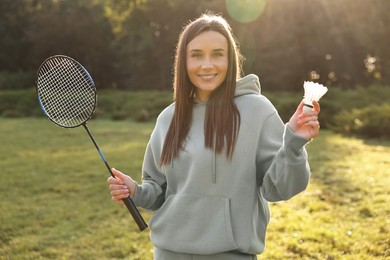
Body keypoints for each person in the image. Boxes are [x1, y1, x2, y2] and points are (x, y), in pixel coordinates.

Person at [107, 13, 321, 260]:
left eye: (217, 54)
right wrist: (135, 190)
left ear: (230, 60)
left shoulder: (258, 111)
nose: (207, 65)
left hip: (230, 254)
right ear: (183, 63)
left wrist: (293, 144)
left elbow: (278, 189)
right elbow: (158, 192)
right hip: (168, 253)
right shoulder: (169, 117)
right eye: (196, 55)